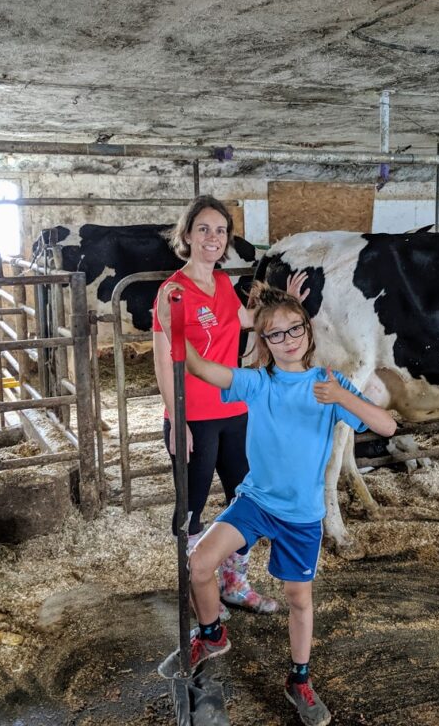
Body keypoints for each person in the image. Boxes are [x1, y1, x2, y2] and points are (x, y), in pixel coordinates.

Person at [156, 282, 397, 725]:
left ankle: (299, 679)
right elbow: (202, 368)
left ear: (308, 331)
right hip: (256, 499)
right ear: (263, 343)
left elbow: (386, 427)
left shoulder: (329, 383)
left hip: (302, 513)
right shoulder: (257, 382)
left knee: (298, 599)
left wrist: (342, 397)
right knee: (199, 563)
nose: (287, 340)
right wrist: (175, 327)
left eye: (294, 330)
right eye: (275, 334)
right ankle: (211, 634)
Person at [151, 195, 306, 615]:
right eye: (203, 229)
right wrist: (177, 419)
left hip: (235, 411)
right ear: (186, 235)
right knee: (193, 508)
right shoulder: (172, 293)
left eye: (220, 231)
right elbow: (165, 360)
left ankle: (234, 583)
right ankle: (198, 593)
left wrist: (285, 304)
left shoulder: (221, 283)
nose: (213, 238)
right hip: (195, 417)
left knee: (249, 500)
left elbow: (246, 321)